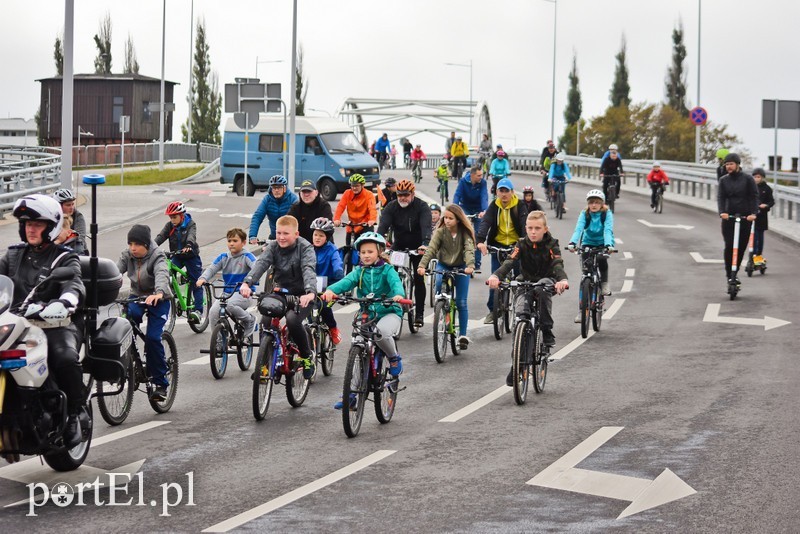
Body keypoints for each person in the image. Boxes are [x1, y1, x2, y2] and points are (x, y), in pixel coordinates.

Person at [0, 194, 86, 447]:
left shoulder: (64, 257)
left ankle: (75, 414)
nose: (31, 229)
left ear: (52, 227)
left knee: (64, 357)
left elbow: (74, 284)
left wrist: (63, 303)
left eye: (37, 224)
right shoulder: (13, 256)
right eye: (27, 224)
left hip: (55, 324)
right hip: (17, 324)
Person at [487, 210, 569, 385]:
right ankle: (516, 365)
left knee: (541, 289)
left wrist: (562, 279)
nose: (533, 232)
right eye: (530, 228)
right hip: (525, 282)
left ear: (545, 229)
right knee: (520, 320)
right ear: (526, 228)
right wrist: (496, 276)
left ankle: (546, 331)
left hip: (546, 282)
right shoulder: (521, 243)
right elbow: (510, 261)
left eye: (537, 228)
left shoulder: (551, 244)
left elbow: (557, 263)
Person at [322, 232, 406, 387]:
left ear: (380, 252)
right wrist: (331, 291)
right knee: (357, 343)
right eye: (363, 252)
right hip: (367, 313)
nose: (366, 255)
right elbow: (346, 282)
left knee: (382, 332)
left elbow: (396, 284)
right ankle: (352, 393)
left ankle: (393, 358)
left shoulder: (388, 270)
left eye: (370, 252)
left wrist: (398, 295)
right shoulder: (359, 272)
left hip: (389, 312)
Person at [240, 215, 318, 378]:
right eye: (278, 233)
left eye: (286, 234)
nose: (281, 237)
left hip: (302, 294)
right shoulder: (273, 246)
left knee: (292, 319)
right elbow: (261, 264)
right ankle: (265, 365)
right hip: (281, 292)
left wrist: (310, 292)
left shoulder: (305, 248)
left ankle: (306, 356)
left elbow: (308, 269)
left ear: (296, 234)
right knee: (266, 321)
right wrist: (247, 283)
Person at [118, 223, 172, 401]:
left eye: (137, 244)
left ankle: (160, 383)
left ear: (146, 245)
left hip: (159, 298)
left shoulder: (158, 256)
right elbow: (115, 272)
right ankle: (128, 364)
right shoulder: (128, 255)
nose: (133, 248)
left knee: (153, 338)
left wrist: (159, 293)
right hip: (137, 296)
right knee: (124, 327)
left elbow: (162, 274)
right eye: (130, 244)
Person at [418, 204, 476, 349]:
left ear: (458, 219)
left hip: (462, 267)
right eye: (446, 218)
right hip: (443, 265)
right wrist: (422, 265)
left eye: (451, 218)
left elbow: (469, 250)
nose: (447, 220)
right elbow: (431, 249)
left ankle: (463, 335)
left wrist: (470, 266)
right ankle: (441, 308)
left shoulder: (465, 233)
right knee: (438, 283)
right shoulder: (440, 232)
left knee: (461, 302)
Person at [377, 179, 432, 327]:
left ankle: (419, 313)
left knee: (418, 278)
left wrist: (425, 243)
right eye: (400, 194)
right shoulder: (392, 207)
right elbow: (383, 226)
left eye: (406, 195)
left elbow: (427, 227)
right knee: (390, 275)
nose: (402, 198)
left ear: (412, 194)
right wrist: (378, 241)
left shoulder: (422, 206)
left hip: (417, 246)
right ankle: (390, 308)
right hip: (399, 245)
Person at [476, 177, 529, 323]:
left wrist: (524, 243)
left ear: (512, 192)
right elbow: (485, 222)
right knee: (495, 279)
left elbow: (525, 225)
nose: (504, 194)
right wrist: (480, 241)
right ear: (497, 192)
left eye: (507, 191)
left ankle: (522, 309)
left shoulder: (520, 205)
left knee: (520, 280)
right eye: (501, 191)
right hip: (498, 246)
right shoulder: (495, 205)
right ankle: (493, 311)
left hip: (516, 246)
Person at [196, 228, 258, 337]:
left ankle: (250, 319)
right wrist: (203, 278)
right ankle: (219, 341)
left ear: (243, 243)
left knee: (229, 305)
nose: (231, 244)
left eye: (235, 241)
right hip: (227, 294)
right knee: (213, 312)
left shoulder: (247, 256)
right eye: (229, 241)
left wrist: (250, 281)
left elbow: (256, 268)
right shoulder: (223, 257)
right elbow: (211, 269)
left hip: (243, 294)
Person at [567, 190, 615, 322]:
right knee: (585, 276)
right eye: (591, 202)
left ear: (602, 204)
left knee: (601, 259)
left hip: (603, 243)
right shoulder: (585, 214)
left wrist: (609, 245)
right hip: (587, 243)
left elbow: (607, 230)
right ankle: (581, 311)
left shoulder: (606, 214)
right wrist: (572, 243)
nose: (594, 205)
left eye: (597, 202)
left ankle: (604, 283)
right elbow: (579, 229)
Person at [717, 153, 758, 286]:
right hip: (729, 217)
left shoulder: (747, 179)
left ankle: (735, 273)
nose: (728, 166)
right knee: (729, 246)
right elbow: (721, 197)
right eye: (727, 164)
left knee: (740, 248)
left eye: (731, 164)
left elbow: (754, 196)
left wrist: (753, 213)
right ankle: (730, 275)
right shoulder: (723, 180)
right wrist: (722, 212)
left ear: (738, 164)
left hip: (745, 217)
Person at [309, 217, 344, 344]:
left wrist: (339, 278)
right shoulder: (308, 249)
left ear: (327, 237)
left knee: (324, 307)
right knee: (307, 307)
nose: (317, 238)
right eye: (315, 235)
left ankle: (333, 328)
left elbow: (337, 265)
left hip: (330, 287)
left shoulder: (332, 250)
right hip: (311, 286)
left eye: (321, 235)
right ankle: (311, 333)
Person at [334, 174, 378, 269]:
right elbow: (340, 206)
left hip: (365, 224)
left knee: (367, 248)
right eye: (352, 185)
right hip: (352, 224)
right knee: (348, 248)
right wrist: (337, 219)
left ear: (362, 185)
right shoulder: (347, 193)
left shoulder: (369, 195)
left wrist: (372, 220)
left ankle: (368, 267)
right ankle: (348, 271)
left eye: (357, 185)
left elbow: (372, 209)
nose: (354, 188)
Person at [453, 165, 489, 269]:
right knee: (462, 229)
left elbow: (484, 196)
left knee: (478, 234)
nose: (481, 177)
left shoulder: (482, 183)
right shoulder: (463, 181)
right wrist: (455, 208)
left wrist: (484, 210)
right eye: (478, 175)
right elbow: (457, 195)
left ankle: (477, 263)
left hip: (478, 209)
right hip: (466, 207)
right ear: (472, 175)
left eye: (481, 175)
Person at [249, 175, 299, 242]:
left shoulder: (292, 198)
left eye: (279, 188)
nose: (276, 190)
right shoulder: (267, 199)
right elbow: (257, 216)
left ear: (284, 188)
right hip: (274, 237)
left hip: (289, 238)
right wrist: (252, 236)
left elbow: (300, 217)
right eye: (274, 188)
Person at [52, 188, 87, 255]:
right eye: (68, 205)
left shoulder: (78, 216)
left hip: (75, 250)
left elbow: (81, 237)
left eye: (72, 204)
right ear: (58, 206)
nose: (72, 207)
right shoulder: (52, 216)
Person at [751, 168, 775, 265]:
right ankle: (752, 256)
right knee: (753, 237)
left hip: (761, 217)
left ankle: (758, 257)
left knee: (759, 238)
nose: (756, 179)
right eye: (755, 177)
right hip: (751, 216)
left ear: (762, 178)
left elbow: (771, 201)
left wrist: (766, 205)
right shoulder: (750, 187)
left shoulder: (767, 189)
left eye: (758, 177)